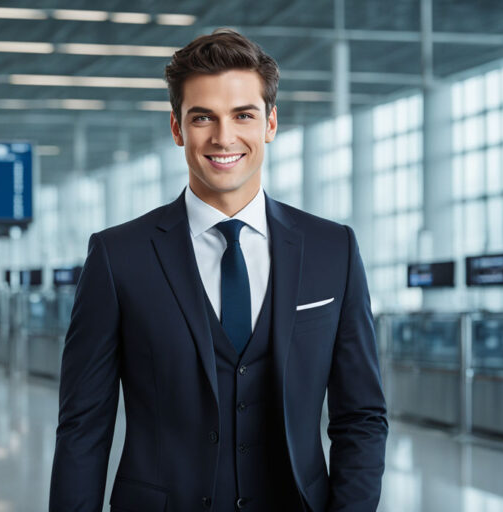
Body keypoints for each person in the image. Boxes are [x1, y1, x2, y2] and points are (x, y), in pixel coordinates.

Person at [50, 30, 388, 512]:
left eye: (243, 115)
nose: (223, 137)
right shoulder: (116, 256)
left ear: (270, 122)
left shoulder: (332, 249)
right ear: (176, 128)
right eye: (202, 117)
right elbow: (84, 426)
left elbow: (362, 416)